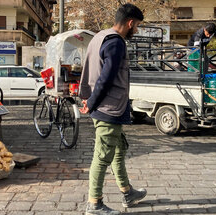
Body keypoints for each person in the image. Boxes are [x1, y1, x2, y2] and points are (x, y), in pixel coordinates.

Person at [79, 3, 147, 215]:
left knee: (119, 150)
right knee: (102, 156)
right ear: (129, 23)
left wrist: (88, 99)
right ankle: (94, 204)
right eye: (136, 27)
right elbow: (105, 78)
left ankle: (128, 192)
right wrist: (91, 103)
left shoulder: (100, 36)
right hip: (108, 108)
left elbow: (90, 69)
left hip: (105, 106)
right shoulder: (116, 43)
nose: (136, 31)